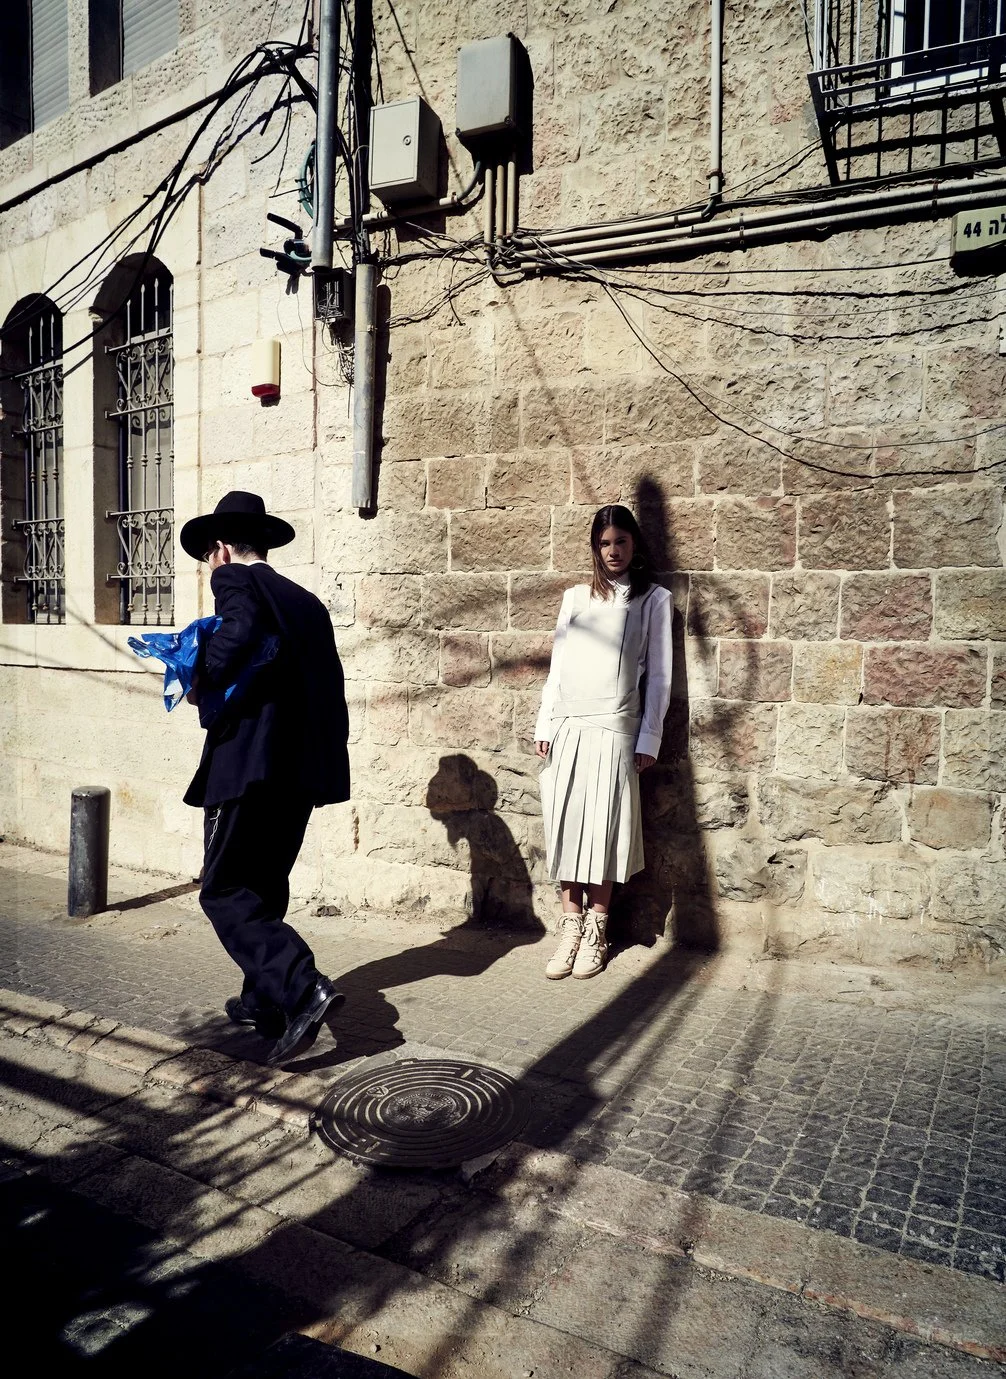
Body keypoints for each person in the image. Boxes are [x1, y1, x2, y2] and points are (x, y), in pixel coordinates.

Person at [179, 491, 350, 1065]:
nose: (210, 567)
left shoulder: (235, 582)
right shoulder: (308, 602)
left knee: (224, 890)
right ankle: (265, 1002)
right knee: (265, 886)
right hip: (300, 772)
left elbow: (234, 636)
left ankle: (303, 986)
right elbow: (331, 692)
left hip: (247, 767)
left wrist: (197, 677)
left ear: (221, 548)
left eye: (209, 558)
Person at [534, 504, 673, 981]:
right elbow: (557, 667)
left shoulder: (653, 600)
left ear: (634, 545)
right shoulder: (575, 598)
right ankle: (570, 926)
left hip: (616, 728)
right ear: (596, 548)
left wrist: (649, 734)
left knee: (605, 828)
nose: (613, 551)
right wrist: (545, 725)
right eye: (605, 543)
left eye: (621, 542)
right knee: (567, 825)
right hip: (569, 724)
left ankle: (597, 928)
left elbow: (658, 677)